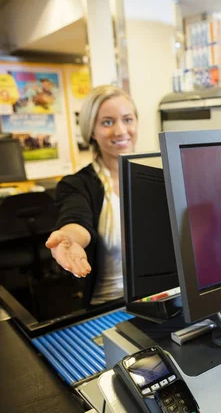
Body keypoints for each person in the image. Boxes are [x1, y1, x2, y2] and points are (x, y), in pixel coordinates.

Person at [46, 86, 138, 305]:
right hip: (108, 305)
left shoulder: (159, 173)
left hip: (163, 297)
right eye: (107, 122)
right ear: (91, 131)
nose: (120, 131)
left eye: (127, 119)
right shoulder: (77, 184)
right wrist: (69, 238)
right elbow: (76, 221)